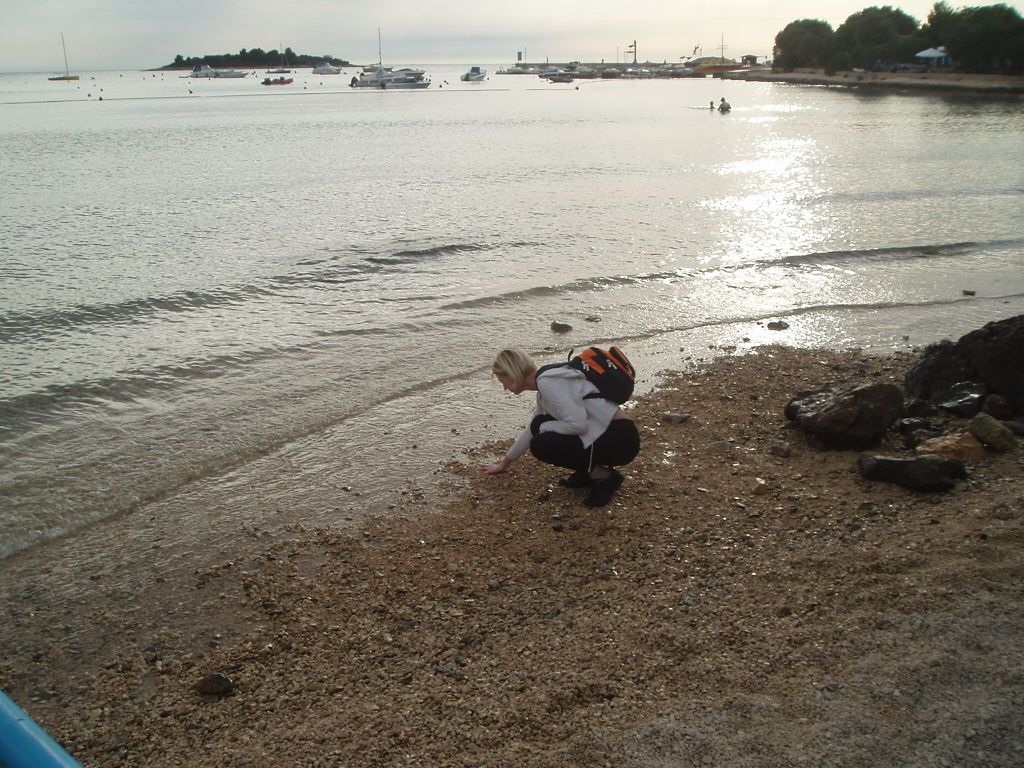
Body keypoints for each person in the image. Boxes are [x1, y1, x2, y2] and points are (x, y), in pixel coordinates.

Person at [482, 348, 641, 507]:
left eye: (502, 381)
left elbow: (578, 426)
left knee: (541, 444)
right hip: (609, 433)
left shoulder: (548, 382)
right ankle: (589, 471)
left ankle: (605, 476)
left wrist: (544, 427)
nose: (504, 388)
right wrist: (504, 464)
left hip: (620, 440)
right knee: (539, 425)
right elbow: (532, 429)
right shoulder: (547, 382)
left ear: (512, 374)